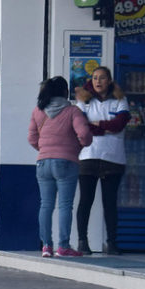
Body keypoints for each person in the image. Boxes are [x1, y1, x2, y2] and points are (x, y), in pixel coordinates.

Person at [28, 76, 92, 258]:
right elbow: (85, 135)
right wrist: (77, 147)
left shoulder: (38, 111)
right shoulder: (73, 111)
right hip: (66, 162)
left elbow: (32, 138)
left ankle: (46, 246)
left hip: (42, 163)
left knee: (45, 205)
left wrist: (45, 150)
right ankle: (63, 246)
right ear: (65, 92)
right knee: (65, 205)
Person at [74, 66, 130, 255]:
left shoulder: (120, 100)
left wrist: (98, 125)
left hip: (113, 158)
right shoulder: (84, 101)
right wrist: (105, 127)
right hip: (88, 157)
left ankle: (112, 242)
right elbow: (82, 127)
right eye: (95, 78)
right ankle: (82, 241)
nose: (98, 81)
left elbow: (120, 123)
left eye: (102, 78)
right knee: (86, 201)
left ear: (109, 80)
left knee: (110, 202)